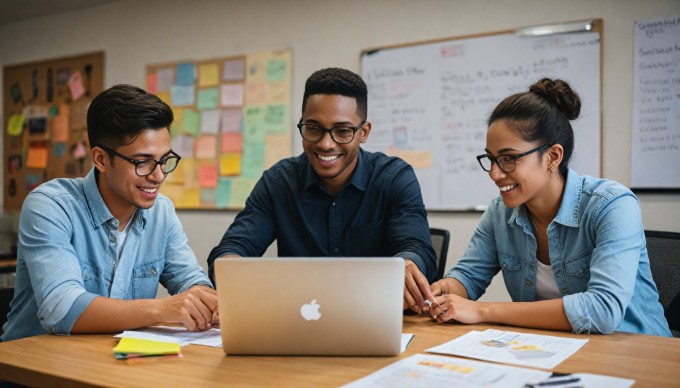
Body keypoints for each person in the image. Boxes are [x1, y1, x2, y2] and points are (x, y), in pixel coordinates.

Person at [420, 78, 671, 336]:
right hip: (552, 351)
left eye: (508, 159)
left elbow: (602, 310)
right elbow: (469, 277)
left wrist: (482, 311)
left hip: (639, 352)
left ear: (552, 156)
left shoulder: (612, 205)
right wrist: (448, 288)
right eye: (492, 159)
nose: (495, 174)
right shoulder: (499, 213)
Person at [2, 85, 217, 341]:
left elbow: (190, 279)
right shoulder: (50, 205)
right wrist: (162, 309)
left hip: (111, 362)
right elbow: (60, 310)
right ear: (101, 159)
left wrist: (205, 301)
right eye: (142, 162)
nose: (158, 175)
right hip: (29, 371)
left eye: (164, 160)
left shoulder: (162, 212)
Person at [208, 68, 437, 308]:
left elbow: (417, 249)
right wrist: (229, 266)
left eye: (343, 131)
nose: (326, 144)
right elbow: (234, 248)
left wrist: (408, 264)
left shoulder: (394, 178)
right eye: (313, 128)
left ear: (364, 132)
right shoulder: (278, 183)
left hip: (377, 316)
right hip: (298, 320)